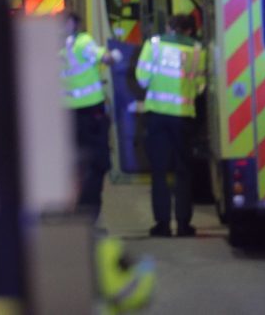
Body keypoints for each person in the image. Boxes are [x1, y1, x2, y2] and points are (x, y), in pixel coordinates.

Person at [136, 13, 206, 237]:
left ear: (169, 26)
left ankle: (162, 225)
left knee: (159, 172)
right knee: (183, 171)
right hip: (183, 117)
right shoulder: (197, 51)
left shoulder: (153, 45)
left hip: (157, 115)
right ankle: (184, 224)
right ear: (189, 30)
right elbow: (199, 86)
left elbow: (142, 78)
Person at [61, 13, 121, 220]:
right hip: (91, 112)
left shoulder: (52, 47)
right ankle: (89, 210)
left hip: (66, 116)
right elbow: (104, 57)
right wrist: (114, 56)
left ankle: (72, 207)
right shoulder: (82, 42)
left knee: (73, 164)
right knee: (98, 163)